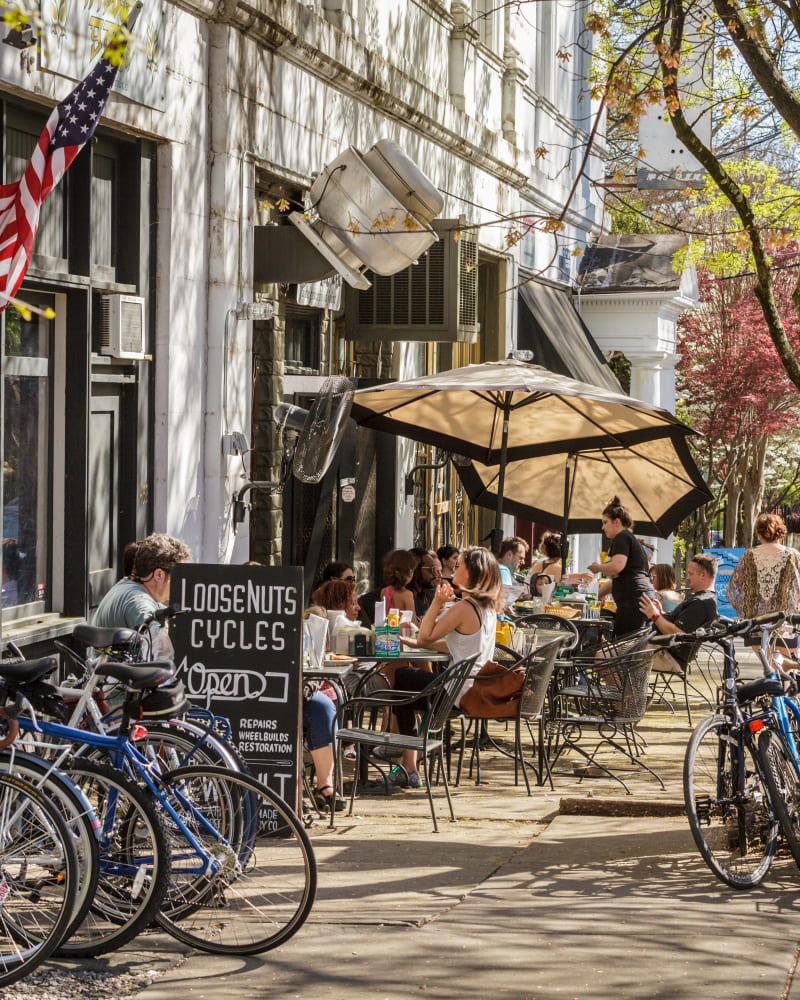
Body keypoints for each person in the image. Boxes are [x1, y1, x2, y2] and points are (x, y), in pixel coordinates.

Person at [381, 547, 501, 790]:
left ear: (473, 573)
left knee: (402, 679)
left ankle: (409, 764)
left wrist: (436, 603)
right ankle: (410, 763)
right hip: (472, 688)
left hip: (456, 693)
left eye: (460, 566)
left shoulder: (464, 606)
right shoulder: (486, 607)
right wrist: (413, 640)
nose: (454, 569)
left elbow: (426, 637)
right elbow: (457, 646)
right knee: (407, 688)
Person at [587, 497, 655, 638]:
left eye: (605, 522)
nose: (603, 527)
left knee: (623, 647)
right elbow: (618, 578)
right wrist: (595, 595)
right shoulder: (628, 538)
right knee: (626, 646)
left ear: (617, 522)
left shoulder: (621, 537)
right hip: (639, 598)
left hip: (634, 601)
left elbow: (617, 567)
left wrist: (598, 567)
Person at [94, 533, 191, 631]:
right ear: (159, 575)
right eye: (178, 576)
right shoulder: (139, 603)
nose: (180, 583)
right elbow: (159, 644)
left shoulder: (128, 586)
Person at [639, 554, 718, 673]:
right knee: (609, 653)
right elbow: (682, 625)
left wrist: (655, 615)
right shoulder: (702, 598)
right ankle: (629, 690)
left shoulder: (701, 603)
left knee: (605, 657)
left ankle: (631, 692)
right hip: (658, 648)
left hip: (666, 655)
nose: (687, 577)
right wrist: (661, 613)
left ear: (703, 575)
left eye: (691, 574)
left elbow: (678, 634)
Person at [727, 513, 800, 621]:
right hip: (785, 627)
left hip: (753, 627)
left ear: (759, 533)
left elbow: (731, 592)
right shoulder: (793, 556)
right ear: (780, 531)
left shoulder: (748, 556)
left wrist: (745, 608)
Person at [380, 548, 419, 619]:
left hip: (388, 629)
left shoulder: (384, 591)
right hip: (403, 629)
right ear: (410, 572)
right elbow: (413, 622)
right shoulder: (407, 595)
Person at [410, 550, 442, 618]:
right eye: (431, 569)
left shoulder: (430, 594)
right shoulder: (404, 595)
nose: (435, 574)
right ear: (416, 570)